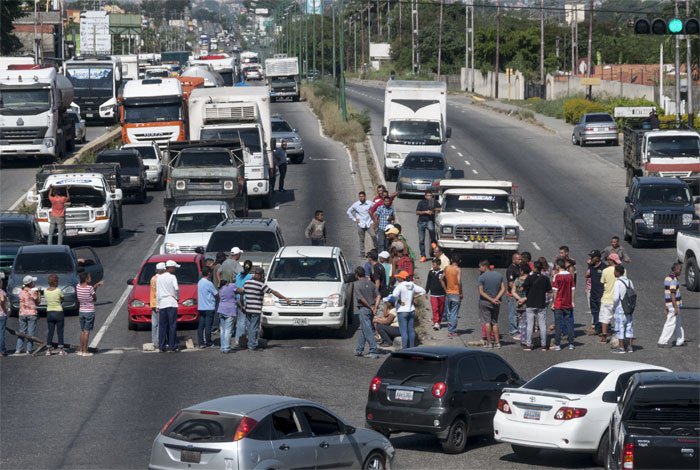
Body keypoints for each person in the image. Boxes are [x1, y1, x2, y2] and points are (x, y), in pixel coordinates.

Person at [242, 267, 289, 351]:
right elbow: (273, 292)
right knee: (254, 327)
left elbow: (242, 293)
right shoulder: (261, 285)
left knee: (249, 327)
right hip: (256, 309)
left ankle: (250, 343)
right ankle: (252, 346)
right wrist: (285, 298)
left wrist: (242, 304)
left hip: (248, 308)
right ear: (260, 275)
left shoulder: (246, 282)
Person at [522, 260, 552, 351]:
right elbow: (549, 290)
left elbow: (523, 287)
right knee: (542, 325)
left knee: (530, 325)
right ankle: (543, 345)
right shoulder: (545, 278)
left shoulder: (529, 278)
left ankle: (529, 344)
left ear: (534, 268)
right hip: (541, 303)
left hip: (530, 303)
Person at [392, 270, 426, 349]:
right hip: (411, 310)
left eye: (399, 277)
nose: (398, 279)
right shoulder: (412, 285)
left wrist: (400, 300)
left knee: (403, 332)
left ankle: (405, 350)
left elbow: (394, 295)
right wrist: (414, 297)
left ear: (402, 278)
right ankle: (412, 348)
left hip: (402, 311)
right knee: (411, 330)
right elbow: (423, 291)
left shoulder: (400, 285)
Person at [477, 260, 507, 349]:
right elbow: (503, 289)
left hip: (485, 302)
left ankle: (489, 342)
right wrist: (496, 298)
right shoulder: (499, 275)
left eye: (480, 267)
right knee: (495, 322)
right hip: (496, 303)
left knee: (487, 322)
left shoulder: (482, 277)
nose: (479, 269)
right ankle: (498, 343)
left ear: (484, 266)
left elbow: (481, 292)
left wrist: (491, 299)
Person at [353, 266, 381, 358]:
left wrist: (369, 306)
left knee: (367, 330)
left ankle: (373, 350)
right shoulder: (371, 283)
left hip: (364, 309)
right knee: (364, 329)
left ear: (357, 275)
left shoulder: (357, 284)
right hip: (372, 309)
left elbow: (360, 298)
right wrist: (375, 307)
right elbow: (378, 296)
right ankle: (359, 349)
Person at [658, 262, 685, 347]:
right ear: (676, 270)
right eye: (680, 270)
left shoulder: (667, 278)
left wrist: (666, 306)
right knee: (670, 323)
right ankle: (662, 341)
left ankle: (680, 341)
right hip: (674, 305)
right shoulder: (673, 280)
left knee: (678, 323)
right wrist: (676, 306)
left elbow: (666, 294)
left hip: (670, 304)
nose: (681, 271)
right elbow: (672, 294)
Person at [551, 259, 575, 351]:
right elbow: (573, 289)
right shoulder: (570, 276)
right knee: (569, 323)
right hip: (568, 303)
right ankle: (571, 343)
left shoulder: (557, 276)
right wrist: (572, 301)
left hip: (559, 303)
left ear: (558, 266)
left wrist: (554, 302)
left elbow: (555, 291)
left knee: (558, 324)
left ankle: (558, 344)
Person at [76, 272, 102, 356]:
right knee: (87, 332)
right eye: (89, 277)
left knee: (82, 331)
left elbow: (87, 290)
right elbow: (94, 298)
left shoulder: (78, 286)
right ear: (86, 279)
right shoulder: (90, 288)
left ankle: (81, 349)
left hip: (81, 311)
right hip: (89, 311)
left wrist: (96, 285)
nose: (90, 278)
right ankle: (85, 351)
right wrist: (95, 288)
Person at [157, 260, 180, 352]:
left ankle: (162, 346)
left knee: (162, 326)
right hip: (171, 302)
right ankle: (172, 345)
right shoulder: (173, 277)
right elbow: (176, 288)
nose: (175, 269)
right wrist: (177, 297)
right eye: (174, 268)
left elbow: (158, 292)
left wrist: (158, 305)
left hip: (162, 303)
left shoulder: (159, 278)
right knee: (172, 325)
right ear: (170, 268)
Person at [600, 253, 623, 344]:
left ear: (610, 260)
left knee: (605, 318)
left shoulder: (605, 271)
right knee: (618, 318)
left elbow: (602, 282)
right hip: (619, 299)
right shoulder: (623, 270)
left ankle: (604, 336)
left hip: (607, 298)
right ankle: (618, 336)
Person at [14, 275, 40, 355]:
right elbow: (38, 302)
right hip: (31, 313)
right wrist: (39, 292)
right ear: (31, 283)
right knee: (30, 332)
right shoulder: (33, 292)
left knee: (22, 331)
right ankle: (29, 349)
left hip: (22, 313)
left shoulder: (21, 291)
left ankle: (18, 348)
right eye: (33, 282)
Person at [612, 264, 634, 354]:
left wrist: (614, 307)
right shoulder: (629, 281)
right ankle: (630, 347)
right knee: (629, 327)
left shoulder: (618, 282)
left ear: (617, 272)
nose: (614, 273)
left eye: (615, 271)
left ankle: (621, 348)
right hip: (629, 307)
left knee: (620, 327)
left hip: (620, 308)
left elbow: (616, 298)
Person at [346, 191, 376, 257]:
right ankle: (362, 253)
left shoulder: (369, 203)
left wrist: (374, 218)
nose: (361, 198)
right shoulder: (356, 204)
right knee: (361, 239)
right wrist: (354, 219)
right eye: (360, 196)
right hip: (360, 224)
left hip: (369, 223)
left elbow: (376, 207)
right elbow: (348, 211)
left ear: (365, 196)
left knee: (374, 236)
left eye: (362, 196)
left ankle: (377, 250)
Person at [44, 274, 66, 356]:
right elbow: (62, 298)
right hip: (58, 312)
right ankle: (61, 349)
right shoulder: (58, 290)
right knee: (60, 331)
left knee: (50, 331)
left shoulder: (46, 291)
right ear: (56, 282)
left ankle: (48, 349)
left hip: (49, 312)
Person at [233, 260, 254, 347]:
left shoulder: (238, 275)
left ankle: (238, 338)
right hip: (245, 299)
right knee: (243, 320)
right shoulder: (250, 276)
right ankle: (240, 339)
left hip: (237, 298)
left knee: (239, 319)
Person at [586, 250, 607, 336]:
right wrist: (589, 265)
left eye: (592, 257)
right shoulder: (591, 266)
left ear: (598, 258)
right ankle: (597, 328)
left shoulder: (604, 267)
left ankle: (605, 330)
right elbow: (586, 275)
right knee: (594, 311)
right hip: (593, 292)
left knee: (602, 312)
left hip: (601, 293)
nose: (591, 258)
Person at [196, 267, 218, 349]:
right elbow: (216, 294)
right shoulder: (209, 283)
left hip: (201, 307)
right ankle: (208, 342)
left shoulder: (199, 282)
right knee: (208, 325)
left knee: (201, 325)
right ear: (209, 273)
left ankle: (201, 342)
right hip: (209, 307)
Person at [511, 264, 531, 345]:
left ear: (522, 271)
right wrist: (524, 299)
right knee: (527, 322)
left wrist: (519, 299)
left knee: (520, 321)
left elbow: (513, 291)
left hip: (518, 304)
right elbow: (532, 292)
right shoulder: (530, 280)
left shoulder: (517, 280)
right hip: (528, 303)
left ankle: (522, 335)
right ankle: (525, 337)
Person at [217, 280, 239, 353]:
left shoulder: (220, 289)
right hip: (230, 310)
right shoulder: (232, 286)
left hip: (221, 309)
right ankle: (226, 348)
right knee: (228, 330)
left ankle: (222, 347)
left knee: (222, 330)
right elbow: (240, 291)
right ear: (227, 283)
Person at [415, 191, 438, 262]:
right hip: (421, 222)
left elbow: (440, 208)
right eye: (428, 195)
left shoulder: (434, 202)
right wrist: (425, 212)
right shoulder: (421, 202)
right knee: (421, 240)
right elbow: (417, 212)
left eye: (430, 195)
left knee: (432, 230)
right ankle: (423, 255)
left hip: (429, 221)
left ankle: (433, 242)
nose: (429, 197)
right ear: (425, 196)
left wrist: (434, 209)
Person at [443, 255, 463, 338]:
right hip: (456, 293)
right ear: (460, 261)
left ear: (451, 260)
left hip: (448, 292)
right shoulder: (458, 269)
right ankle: (452, 331)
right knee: (454, 313)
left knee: (449, 311)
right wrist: (461, 293)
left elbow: (441, 279)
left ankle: (450, 328)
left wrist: (445, 289)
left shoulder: (447, 268)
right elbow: (459, 282)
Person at [425, 258, 446, 330]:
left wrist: (447, 291)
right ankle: (436, 322)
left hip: (442, 294)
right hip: (433, 294)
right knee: (435, 308)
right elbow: (428, 282)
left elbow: (446, 282)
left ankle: (438, 322)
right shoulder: (430, 272)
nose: (432, 266)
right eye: (432, 264)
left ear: (438, 265)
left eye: (434, 264)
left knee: (441, 309)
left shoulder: (442, 272)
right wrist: (426, 292)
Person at [505, 252, 522, 339]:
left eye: (521, 259)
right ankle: (513, 331)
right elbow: (511, 283)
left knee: (518, 313)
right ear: (514, 260)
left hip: (518, 294)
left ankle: (518, 329)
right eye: (518, 259)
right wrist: (518, 291)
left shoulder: (519, 268)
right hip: (512, 295)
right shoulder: (510, 269)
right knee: (513, 313)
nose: (520, 260)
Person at [149, 263, 165, 347]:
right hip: (159, 303)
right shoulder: (160, 279)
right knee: (160, 323)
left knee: (154, 323)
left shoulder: (153, 278)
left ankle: (154, 341)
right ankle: (159, 341)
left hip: (153, 302)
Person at [0, 272, 7, 356]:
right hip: (1, 314)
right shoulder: (1, 291)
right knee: (1, 333)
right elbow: (2, 300)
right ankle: (2, 350)